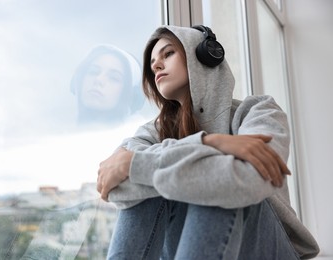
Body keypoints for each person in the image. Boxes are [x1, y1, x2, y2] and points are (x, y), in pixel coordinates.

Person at [96, 25, 320, 259]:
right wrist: (211, 144)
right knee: (145, 193)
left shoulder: (258, 111)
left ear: (205, 55)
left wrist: (137, 164)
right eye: (153, 62)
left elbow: (247, 181)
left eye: (168, 53)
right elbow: (116, 187)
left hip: (268, 250)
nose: (156, 65)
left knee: (215, 187)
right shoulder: (152, 132)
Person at [70, 44, 145, 127]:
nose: (99, 80)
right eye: (93, 72)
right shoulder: (62, 128)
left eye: (114, 78)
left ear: (131, 95)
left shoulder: (137, 135)